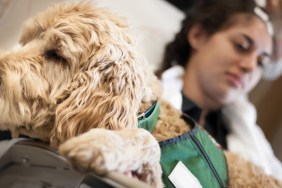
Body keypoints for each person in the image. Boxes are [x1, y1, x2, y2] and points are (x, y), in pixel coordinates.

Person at [157, 0, 282, 181]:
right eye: (241, 46)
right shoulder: (146, 104)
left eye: (261, 62)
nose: (250, 66)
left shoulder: (252, 146)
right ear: (198, 35)